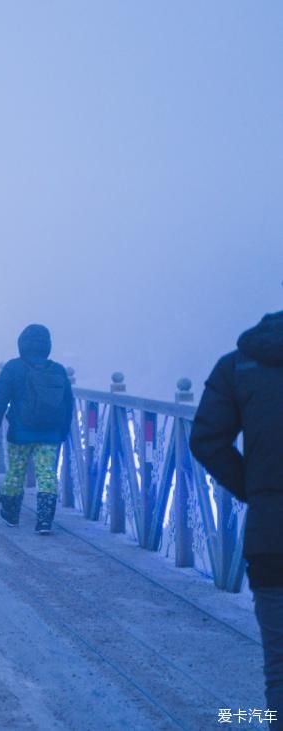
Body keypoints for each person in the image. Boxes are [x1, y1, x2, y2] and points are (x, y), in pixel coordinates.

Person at [189, 310, 283, 724]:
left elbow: (206, 440)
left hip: (271, 537)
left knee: (280, 668)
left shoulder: (236, 366)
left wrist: (256, 490)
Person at [0, 324, 74, 534]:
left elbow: (0, 401)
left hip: (20, 432)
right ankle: (44, 520)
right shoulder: (58, 370)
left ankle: (11, 512)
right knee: (46, 473)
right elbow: (68, 403)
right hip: (50, 433)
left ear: (21, 344)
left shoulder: (13, 368)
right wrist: (63, 430)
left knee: (16, 472)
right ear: (48, 346)